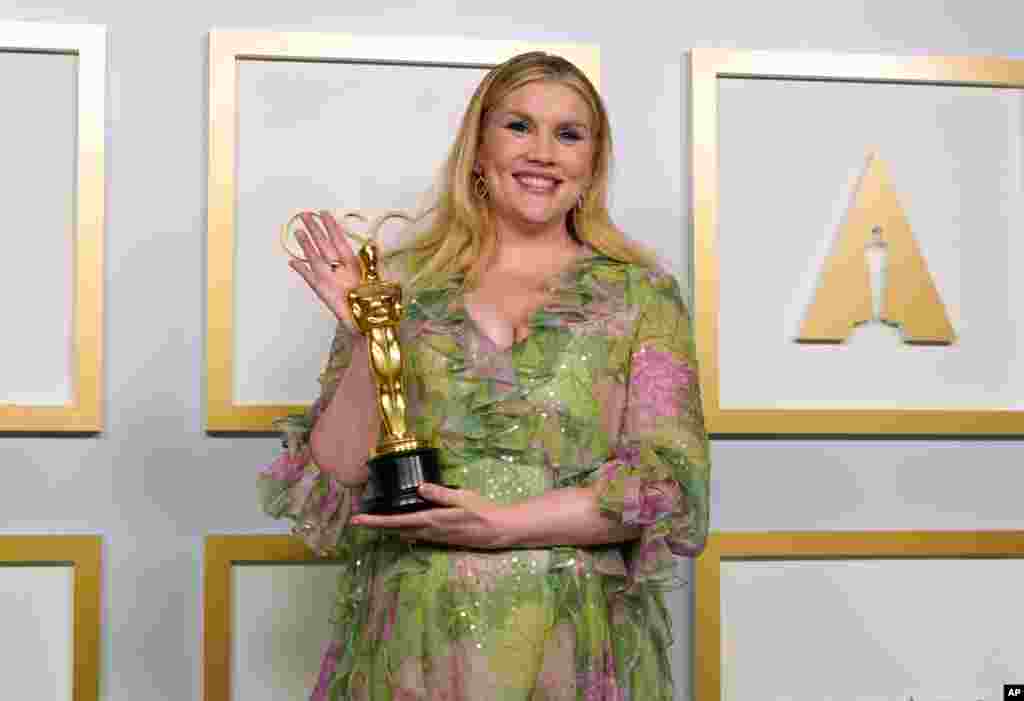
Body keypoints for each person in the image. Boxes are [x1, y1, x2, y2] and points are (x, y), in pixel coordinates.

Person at [260, 51, 710, 701]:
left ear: (592, 163)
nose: (543, 152)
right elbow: (337, 474)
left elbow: (669, 487)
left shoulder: (640, 296)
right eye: (519, 126)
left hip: (567, 642)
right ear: (478, 148)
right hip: (414, 642)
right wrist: (370, 332)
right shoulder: (404, 284)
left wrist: (508, 523)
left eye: (569, 134)